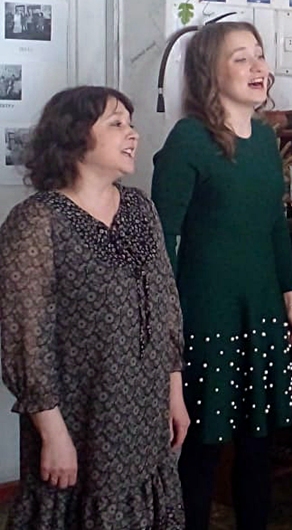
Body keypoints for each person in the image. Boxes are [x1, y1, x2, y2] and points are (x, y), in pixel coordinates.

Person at [0, 86, 187, 529]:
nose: (133, 134)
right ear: (75, 135)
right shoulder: (37, 221)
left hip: (144, 408)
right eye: (116, 124)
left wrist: (174, 395)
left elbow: (166, 306)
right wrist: (53, 433)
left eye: (131, 124)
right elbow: (25, 337)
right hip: (81, 415)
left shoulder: (140, 208)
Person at [152, 21, 292, 530]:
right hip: (206, 319)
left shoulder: (264, 140)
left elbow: (275, 227)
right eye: (241, 57)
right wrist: (167, 325)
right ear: (209, 72)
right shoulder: (188, 140)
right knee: (202, 452)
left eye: (259, 55)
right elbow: (161, 240)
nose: (257, 67)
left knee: (258, 450)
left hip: (262, 313)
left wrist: (290, 304)